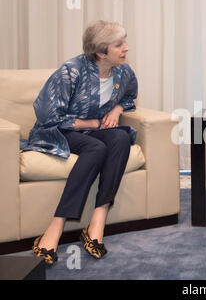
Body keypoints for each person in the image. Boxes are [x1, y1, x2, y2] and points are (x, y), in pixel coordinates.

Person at [22, 20, 138, 264]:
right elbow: (48, 115)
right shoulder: (71, 71)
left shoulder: (124, 71)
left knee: (120, 136)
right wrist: (93, 124)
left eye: (124, 42)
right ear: (101, 52)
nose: (126, 48)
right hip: (59, 131)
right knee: (97, 147)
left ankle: (98, 219)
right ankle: (56, 224)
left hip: (92, 131)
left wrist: (117, 109)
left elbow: (129, 95)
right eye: (119, 44)